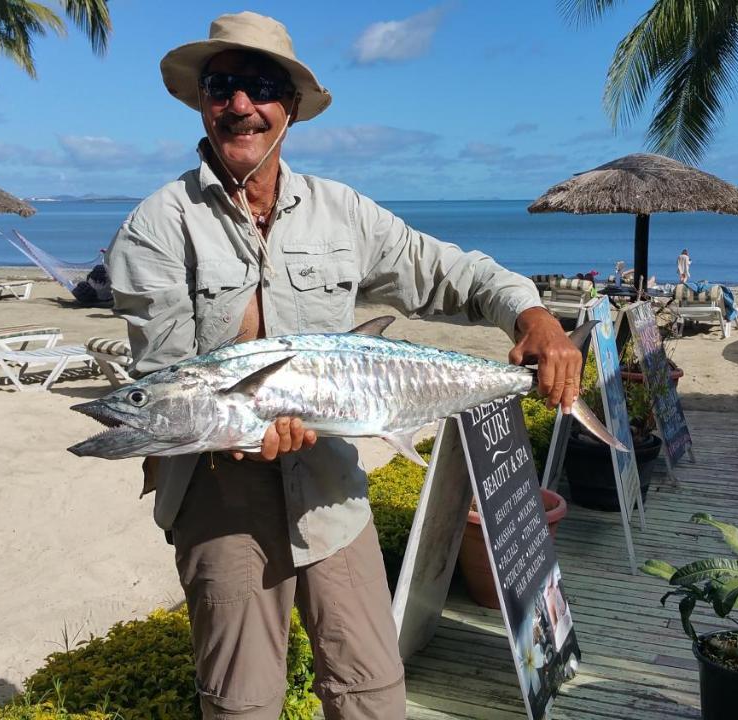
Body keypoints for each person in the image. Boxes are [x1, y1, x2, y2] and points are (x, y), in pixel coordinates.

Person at [105, 12, 583, 720]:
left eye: (260, 86)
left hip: (330, 486)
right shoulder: (158, 225)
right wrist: (244, 424)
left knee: (373, 691)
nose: (241, 104)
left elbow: (449, 273)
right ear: (203, 102)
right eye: (223, 85)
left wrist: (531, 315)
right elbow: (170, 372)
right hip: (216, 492)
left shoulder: (342, 214)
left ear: (290, 107)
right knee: (243, 703)